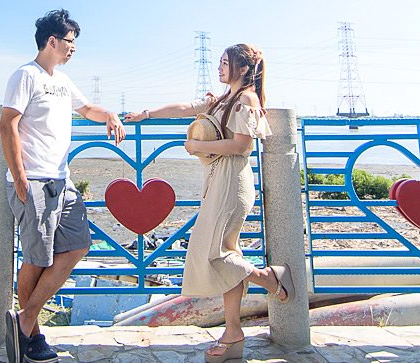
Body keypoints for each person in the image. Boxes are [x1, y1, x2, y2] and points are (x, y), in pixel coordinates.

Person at [124, 43, 294, 363]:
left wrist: (196, 145)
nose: (219, 68)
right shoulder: (222, 98)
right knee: (225, 253)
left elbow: (241, 146)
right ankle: (232, 333)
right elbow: (185, 107)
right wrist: (146, 114)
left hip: (232, 182)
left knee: (215, 254)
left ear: (243, 69)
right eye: (219, 62)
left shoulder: (246, 99)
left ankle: (269, 278)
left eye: (225, 63)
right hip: (216, 181)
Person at [0, 9, 126, 363]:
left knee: (78, 244)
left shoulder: (63, 81)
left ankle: (23, 321)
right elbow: (7, 124)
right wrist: (20, 177)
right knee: (37, 259)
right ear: (52, 41)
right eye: (71, 42)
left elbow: (86, 109)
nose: (74, 49)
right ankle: (33, 336)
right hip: (33, 181)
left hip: (62, 179)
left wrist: (112, 115)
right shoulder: (26, 75)